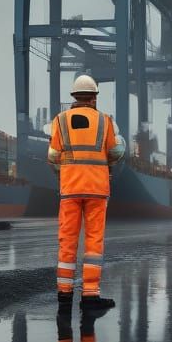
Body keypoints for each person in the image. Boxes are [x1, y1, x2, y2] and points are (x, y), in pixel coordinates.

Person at [48, 74, 126, 313]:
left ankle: (64, 295)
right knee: (93, 242)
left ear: (74, 97)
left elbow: (52, 156)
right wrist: (118, 148)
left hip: (70, 189)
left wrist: (64, 171)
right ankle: (90, 296)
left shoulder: (60, 120)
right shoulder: (105, 121)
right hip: (96, 190)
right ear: (94, 98)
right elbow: (114, 153)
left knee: (67, 241)